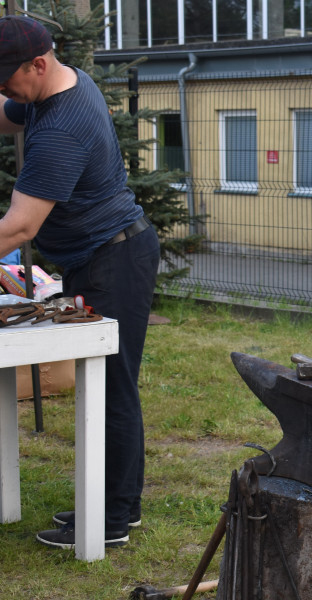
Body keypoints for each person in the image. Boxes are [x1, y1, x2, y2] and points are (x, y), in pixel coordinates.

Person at [0, 15, 160, 549]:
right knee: (117, 382)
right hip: (111, 252)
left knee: (111, 384)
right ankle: (121, 505)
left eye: (5, 76)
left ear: (37, 64)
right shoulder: (64, 83)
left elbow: (20, 226)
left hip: (112, 259)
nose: (2, 86)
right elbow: (7, 112)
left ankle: (111, 519)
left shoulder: (61, 128)